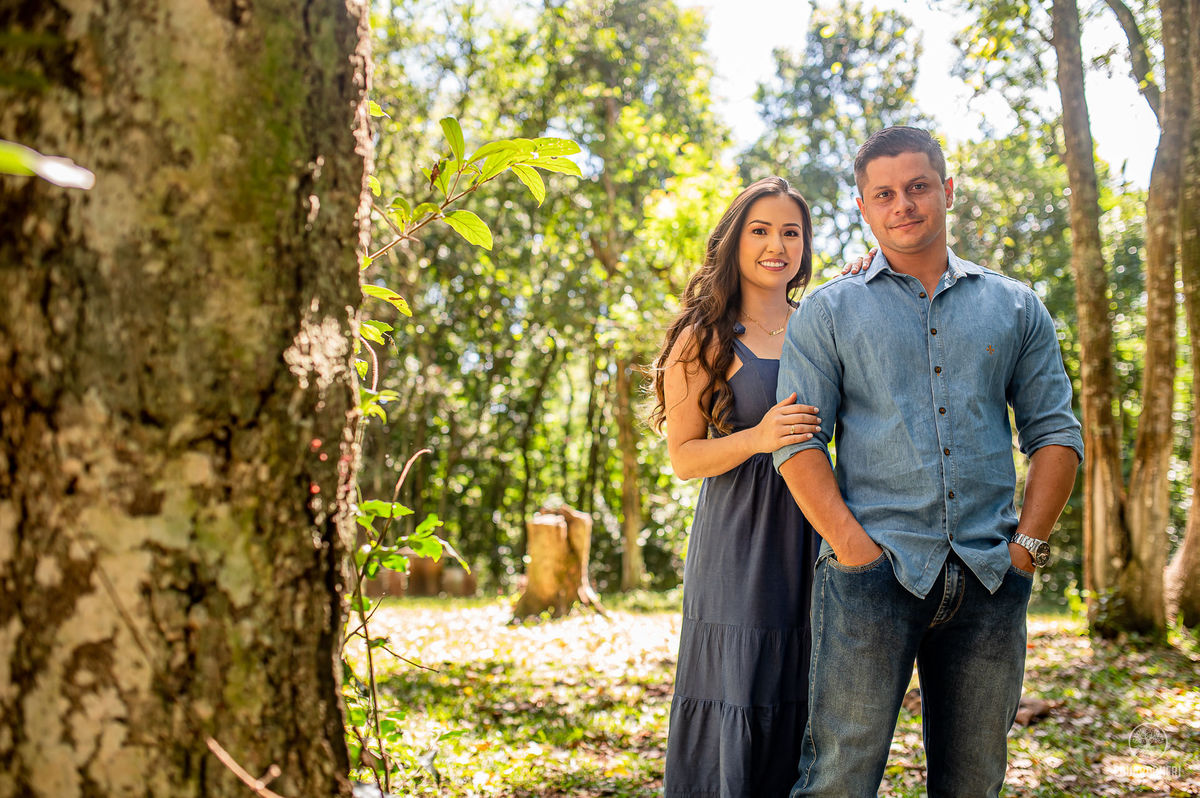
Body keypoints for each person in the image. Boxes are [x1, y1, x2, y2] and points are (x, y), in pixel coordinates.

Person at [774, 126, 1083, 798]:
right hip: (868, 579)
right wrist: (854, 549)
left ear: (946, 189)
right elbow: (797, 441)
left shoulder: (1014, 306)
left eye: (917, 187)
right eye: (883, 194)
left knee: (974, 783)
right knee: (838, 779)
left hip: (990, 578)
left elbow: (1056, 434)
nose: (903, 204)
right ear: (863, 208)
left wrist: (1026, 547)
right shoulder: (829, 310)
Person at [651, 176, 828, 797]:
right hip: (740, 544)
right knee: (740, 685)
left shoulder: (822, 325)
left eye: (791, 232)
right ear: (734, 241)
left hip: (819, 534)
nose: (776, 244)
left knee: (807, 688)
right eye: (760, 230)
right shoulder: (702, 336)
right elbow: (684, 456)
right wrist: (759, 437)